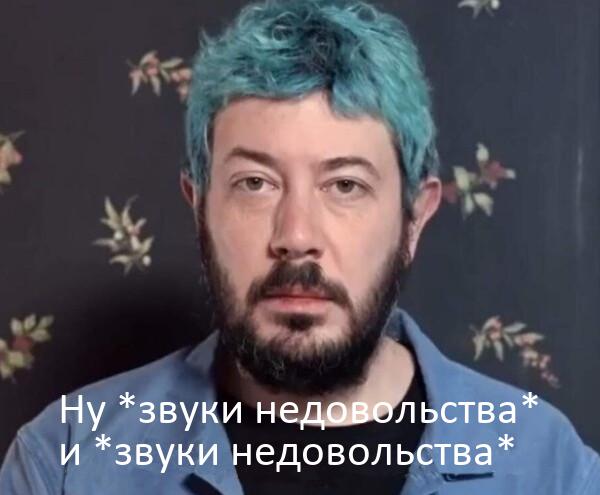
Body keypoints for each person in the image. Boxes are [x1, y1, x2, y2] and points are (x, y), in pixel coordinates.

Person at [1, 0, 598, 493]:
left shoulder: (550, 469)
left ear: (414, 218)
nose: (296, 237)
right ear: (198, 206)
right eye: (254, 184)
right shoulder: (64, 463)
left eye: (345, 185)